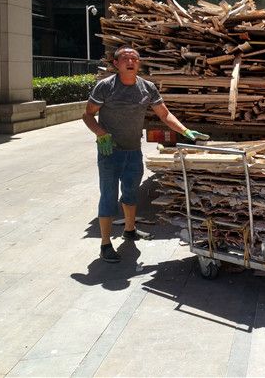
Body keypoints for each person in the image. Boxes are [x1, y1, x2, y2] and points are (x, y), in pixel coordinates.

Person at [82, 46, 209, 263]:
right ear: (116, 64)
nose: (130, 61)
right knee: (109, 197)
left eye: (134, 58)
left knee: (131, 193)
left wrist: (185, 130)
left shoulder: (147, 88)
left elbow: (164, 114)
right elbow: (87, 115)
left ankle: (130, 231)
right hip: (109, 152)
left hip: (133, 151)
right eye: (125, 58)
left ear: (138, 63)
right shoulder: (105, 87)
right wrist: (101, 134)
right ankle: (105, 244)